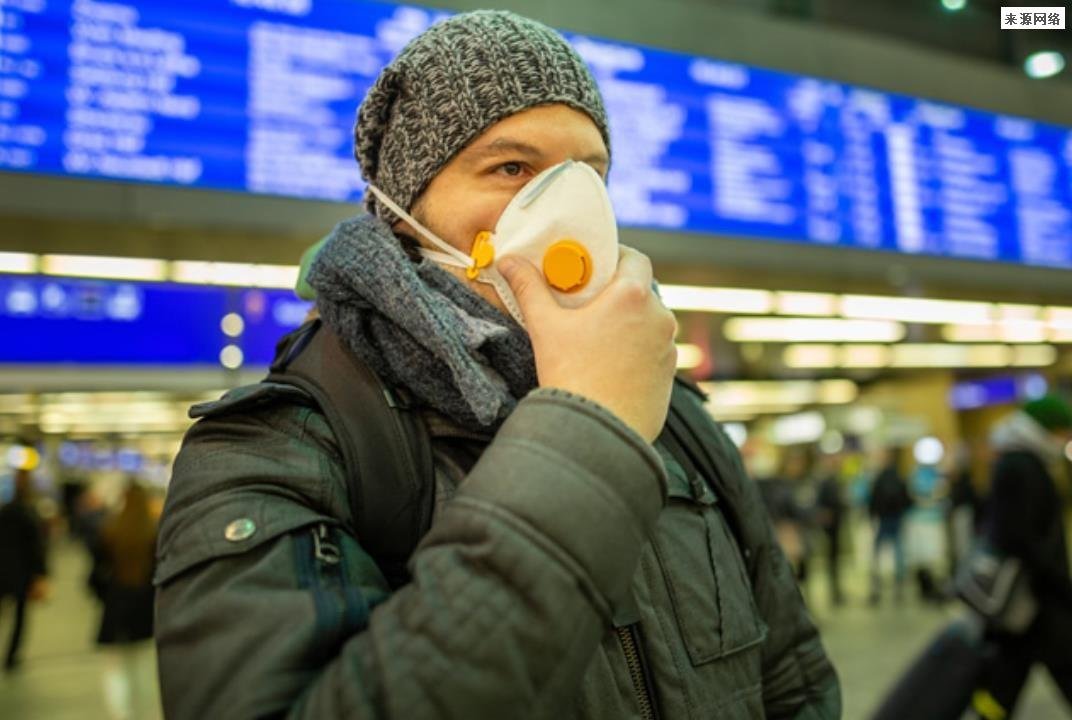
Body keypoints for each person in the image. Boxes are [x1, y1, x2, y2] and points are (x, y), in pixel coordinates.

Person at [154, 11, 841, 719]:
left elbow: (791, 679)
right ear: (402, 210)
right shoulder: (279, 450)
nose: (569, 208)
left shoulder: (675, 412)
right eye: (511, 167)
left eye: (589, 175)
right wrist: (589, 429)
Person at [969, 395, 1072, 718]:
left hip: (1026, 602)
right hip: (1031, 596)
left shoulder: (1023, 462)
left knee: (1006, 679)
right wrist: (1059, 583)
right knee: (1060, 665)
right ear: (1047, 429)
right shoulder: (1021, 466)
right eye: (1064, 432)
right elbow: (1019, 537)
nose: (1066, 440)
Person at [95, 481, 158, 720]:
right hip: (144, 606)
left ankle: (121, 714)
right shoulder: (153, 532)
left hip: (115, 604)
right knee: (143, 665)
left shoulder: (110, 529)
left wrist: (105, 595)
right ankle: (149, 714)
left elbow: (95, 573)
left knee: (115, 666)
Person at [0, 469, 49, 672]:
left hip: (2, 570)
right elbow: (36, 547)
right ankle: (11, 657)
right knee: (20, 616)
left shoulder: (4, 512)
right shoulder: (30, 514)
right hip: (21, 572)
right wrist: (41, 573)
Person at [868, 446, 913, 606]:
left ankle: (875, 585)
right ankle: (898, 586)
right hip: (896, 519)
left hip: (883, 519)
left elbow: (872, 500)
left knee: (877, 553)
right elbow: (908, 500)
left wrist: (872, 515)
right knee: (898, 553)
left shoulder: (879, 478)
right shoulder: (899, 477)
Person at [814, 452, 847, 607]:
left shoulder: (835, 481)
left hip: (836, 525)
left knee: (835, 559)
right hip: (829, 526)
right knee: (831, 559)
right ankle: (834, 591)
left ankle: (836, 590)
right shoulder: (825, 482)